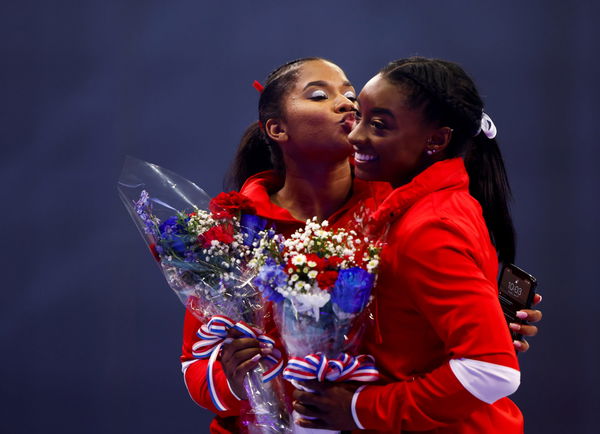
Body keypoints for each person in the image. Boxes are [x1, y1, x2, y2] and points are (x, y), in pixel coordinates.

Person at [180, 57, 541, 433]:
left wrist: (486, 326)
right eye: (320, 95)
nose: (347, 104)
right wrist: (235, 381)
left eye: (352, 95)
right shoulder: (230, 231)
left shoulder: (402, 208)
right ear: (276, 128)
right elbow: (194, 366)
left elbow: (457, 349)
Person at [292, 57, 531, 433]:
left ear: (436, 140)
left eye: (379, 125)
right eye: (361, 116)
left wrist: (360, 410)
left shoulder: (431, 227)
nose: (355, 136)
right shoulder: (408, 204)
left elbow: (493, 370)